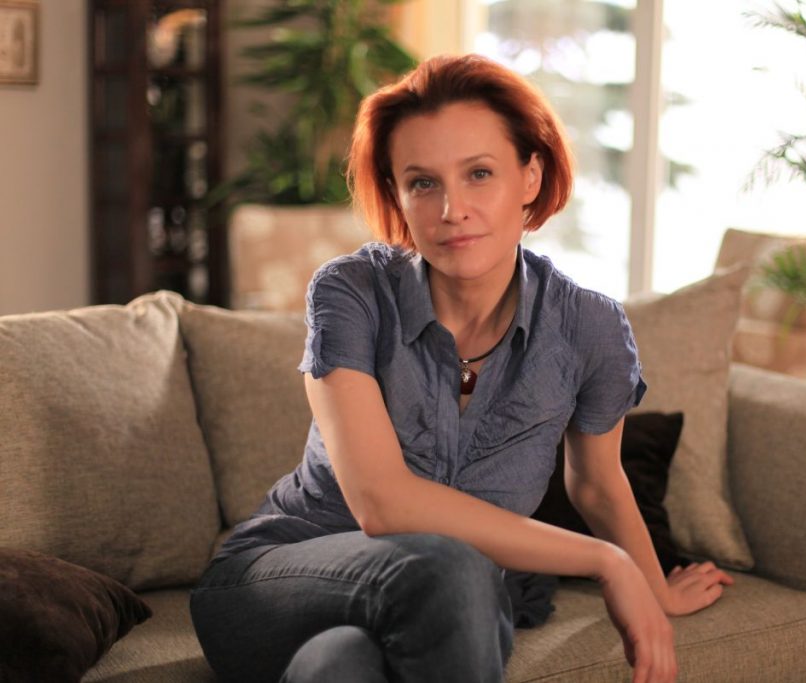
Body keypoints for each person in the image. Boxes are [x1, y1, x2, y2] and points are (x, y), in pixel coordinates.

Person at [189, 53, 733, 683]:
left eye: (479, 173)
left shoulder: (590, 329)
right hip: (280, 579)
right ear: (397, 194)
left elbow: (596, 483)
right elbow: (381, 503)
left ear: (530, 176)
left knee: (342, 663)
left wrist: (655, 590)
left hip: (455, 603)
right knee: (452, 568)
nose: (452, 209)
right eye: (423, 183)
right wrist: (607, 563)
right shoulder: (351, 293)